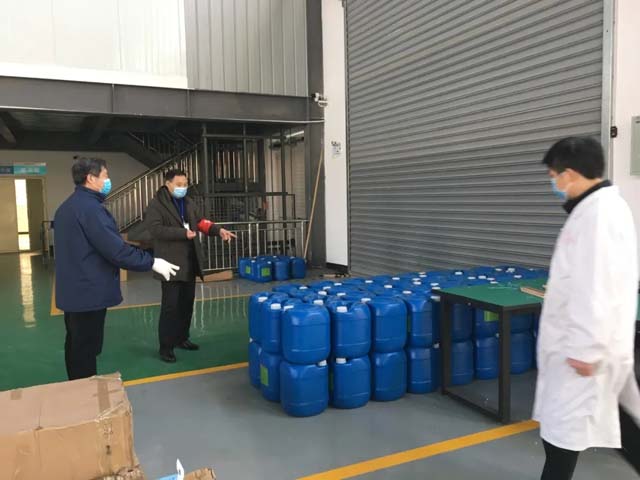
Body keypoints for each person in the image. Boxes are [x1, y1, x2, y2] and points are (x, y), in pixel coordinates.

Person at [533, 137, 640, 479]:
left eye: (554, 176)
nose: (554, 184)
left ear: (570, 173)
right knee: (606, 429)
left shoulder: (599, 215)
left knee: (563, 438)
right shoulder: (594, 210)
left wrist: (585, 350)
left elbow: (596, 287)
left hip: (585, 354)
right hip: (587, 351)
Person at [54, 157, 179, 380]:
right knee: (85, 349)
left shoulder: (67, 207)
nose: (108, 180)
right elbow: (116, 250)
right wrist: (152, 262)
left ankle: (76, 388)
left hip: (74, 290)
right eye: (105, 176)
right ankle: (84, 392)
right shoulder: (91, 210)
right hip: (88, 292)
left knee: (76, 344)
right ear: (91, 178)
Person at [145, 169, 236, 363]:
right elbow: (155, 230)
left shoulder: (188, 202)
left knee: (186, 304)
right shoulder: (156, 204)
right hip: (169, 264)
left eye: (185, 184)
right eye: (179, 184)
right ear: (168, 184)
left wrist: (218, 230)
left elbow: (201, 222)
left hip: (189, 262)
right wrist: (182, 233)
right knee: (170, 307)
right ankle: (166, 347)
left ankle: (181, 338)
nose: (183, 188)